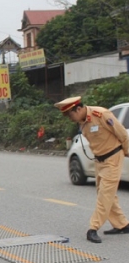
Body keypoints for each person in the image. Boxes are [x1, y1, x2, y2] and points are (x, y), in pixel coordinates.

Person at [54, 96, 129, 243]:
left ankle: (93, 228)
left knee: (104, 196)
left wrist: (126, 152)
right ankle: (122, 224)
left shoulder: (101, 115)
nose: (70, 118)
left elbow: (122, 133)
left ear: (79, 108)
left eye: (71, 114)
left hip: (113, 158)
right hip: (99, 161)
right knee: (106, 194)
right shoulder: (82, 122)